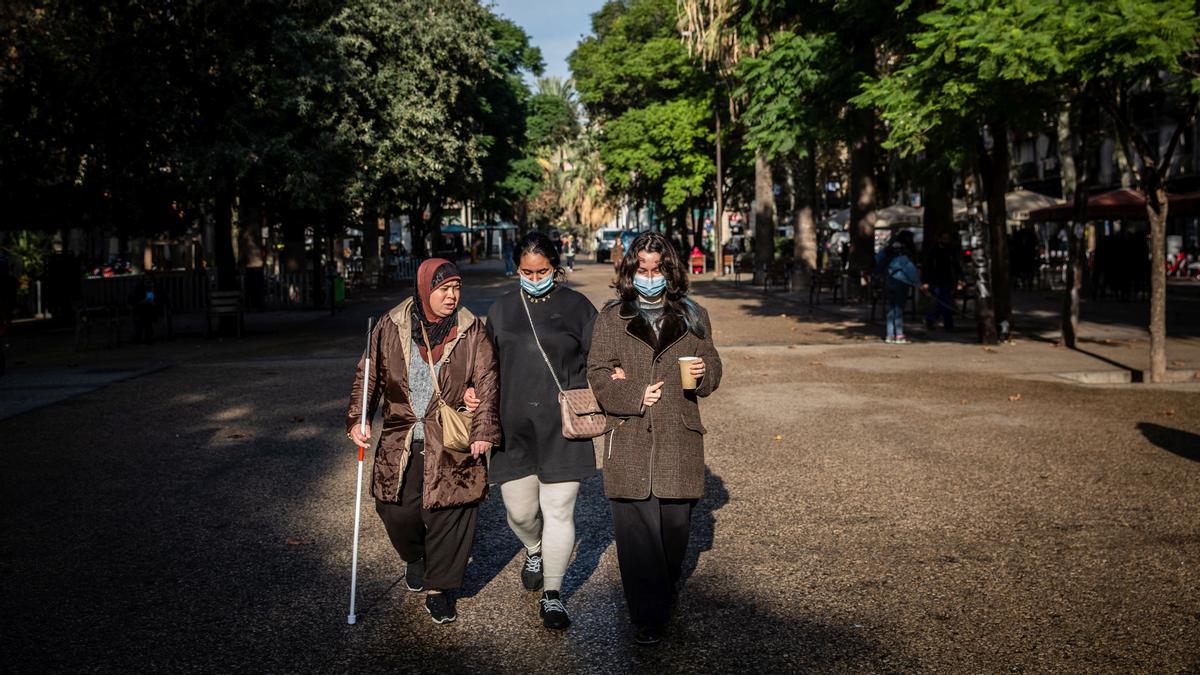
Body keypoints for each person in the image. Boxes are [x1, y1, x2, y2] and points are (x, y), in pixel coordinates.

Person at [586, 231, 722, 646]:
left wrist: (702, 375)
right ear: (631, 271)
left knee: (674, 532)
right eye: (642, 269)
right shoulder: (612, 317)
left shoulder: (694, 316)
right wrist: (631, 393)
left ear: (670, 270)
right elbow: (597, 372)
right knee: (636, 539)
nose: (649, 277)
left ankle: (663, 589)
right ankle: (647, 617)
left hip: (679, 438)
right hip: (629, 439)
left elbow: (713, 367)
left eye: (657, 269)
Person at [345, 258, 500, 625]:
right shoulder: (389, 324)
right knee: (394, 508)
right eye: (443, 289)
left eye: (456, 288)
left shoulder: (471, 329)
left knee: (452, 509)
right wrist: (358, 417)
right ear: (424, 288)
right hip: (402, 434)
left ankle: (441, 587)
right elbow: (368, 377)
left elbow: (488, 380)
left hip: (448, 436)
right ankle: (416, 556)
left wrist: (483, 430)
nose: (451, 296)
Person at [478, 232, 597, 630]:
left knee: (559, 510)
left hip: (564, 427)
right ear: (517, 269)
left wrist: (612, 374)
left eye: (542, 270)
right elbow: (484, 365)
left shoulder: (578, 307)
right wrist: (470, 392)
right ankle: (534, 548)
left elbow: (599, 357)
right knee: (521, 512)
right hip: (513, 428)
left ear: (555, 267)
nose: (533, 277)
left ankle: (553, 594)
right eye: (526, 271)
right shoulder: (502, 309)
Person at [877, 231, 919, 344]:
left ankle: (890, 335)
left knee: (891, 309)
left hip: (888, 281)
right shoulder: (904, 254)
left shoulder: (888, 251)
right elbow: (910, 270)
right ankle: (899, 335)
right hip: (901, 282)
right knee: (899, 308)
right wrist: (918, 283)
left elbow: (878, 259)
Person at [921, 230, 964, 331]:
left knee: (944, 302)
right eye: (944, 238)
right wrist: (926, 281)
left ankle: (931, 319)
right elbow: (927, 267)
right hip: (936, 281)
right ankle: (947, 324)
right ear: (939, 238)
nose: (946, 240)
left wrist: (960, 279)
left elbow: (957, 265)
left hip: (949, 280)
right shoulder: (933, 251)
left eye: (947, 238)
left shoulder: (952, 250)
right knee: (944, 301)